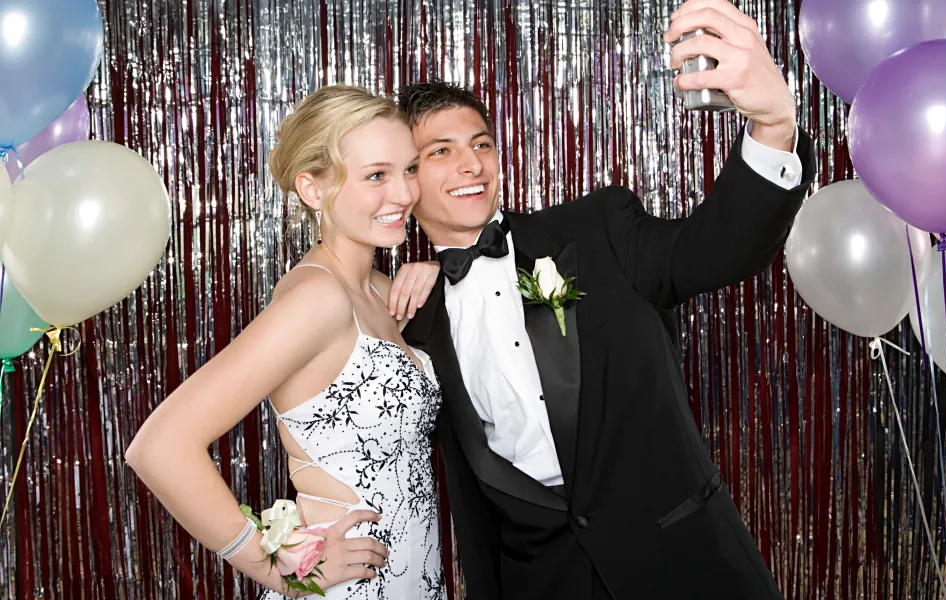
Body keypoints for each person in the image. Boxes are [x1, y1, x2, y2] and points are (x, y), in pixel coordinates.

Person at [398, 1, 816, 598]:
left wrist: (774, 126)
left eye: (481, 144)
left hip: (679, 562)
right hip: (541, 582)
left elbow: (714, 251)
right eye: (440, 151)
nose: (471, 165)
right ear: (406, 177)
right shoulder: (414, 320)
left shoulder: (597, 230)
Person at [126, 85, 446, 599]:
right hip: (350, 587)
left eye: (409, 170)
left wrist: (439, 271)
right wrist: (277, 570)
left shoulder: (379, 289)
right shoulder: (318, 299)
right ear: (313, 190)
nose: (405, 193)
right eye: (376, 176)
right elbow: (159, 448)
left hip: (413, 578)